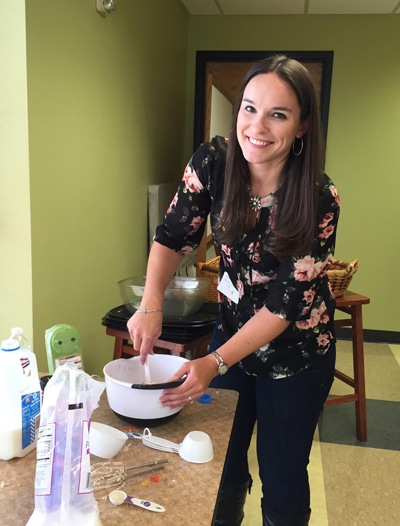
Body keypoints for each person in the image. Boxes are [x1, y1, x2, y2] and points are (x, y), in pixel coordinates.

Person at [127, 54, 340, 526]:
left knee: (283, 476)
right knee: (220, 461)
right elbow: (172, 235)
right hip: (232, 335)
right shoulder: (214, 162)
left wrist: (215, 360)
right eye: (249, 108)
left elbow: (284, 307)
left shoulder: (318, 198)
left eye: (277, 114)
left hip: (296, 354)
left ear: (302, 126)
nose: (256, 126)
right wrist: (151, 304)